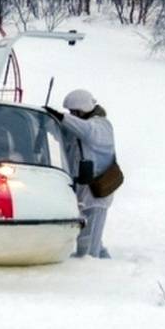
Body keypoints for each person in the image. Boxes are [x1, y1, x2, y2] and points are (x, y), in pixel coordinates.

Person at [45, 89, 116, 259]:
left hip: (97, 191)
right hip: (81, 191)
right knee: (90, 238)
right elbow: (60, 133)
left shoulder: (101, 126)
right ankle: (106, 264)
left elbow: (87, 131)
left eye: (74, 112)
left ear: (82, 108)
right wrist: (47, 119)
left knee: (89, 245)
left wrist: (63, 117)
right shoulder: (77, 127)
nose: (71, 115)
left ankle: (91, 270)